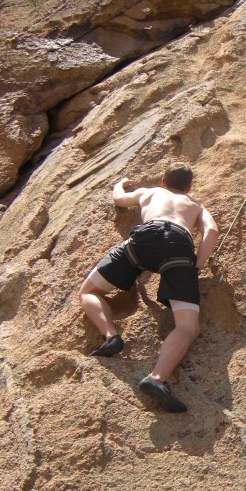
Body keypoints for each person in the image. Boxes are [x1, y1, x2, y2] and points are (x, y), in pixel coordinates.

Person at [78, 162, 219, 413]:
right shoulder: (195, 205)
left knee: (88, 292)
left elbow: (120, 199)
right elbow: (212, 231)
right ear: (188, 188)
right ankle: (156, 378)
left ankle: (110, 336)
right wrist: (195, 266)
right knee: (187, 325)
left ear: (164, 182)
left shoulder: (150, 192)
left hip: (142, 240)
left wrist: (119, 182)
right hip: (177, 246)